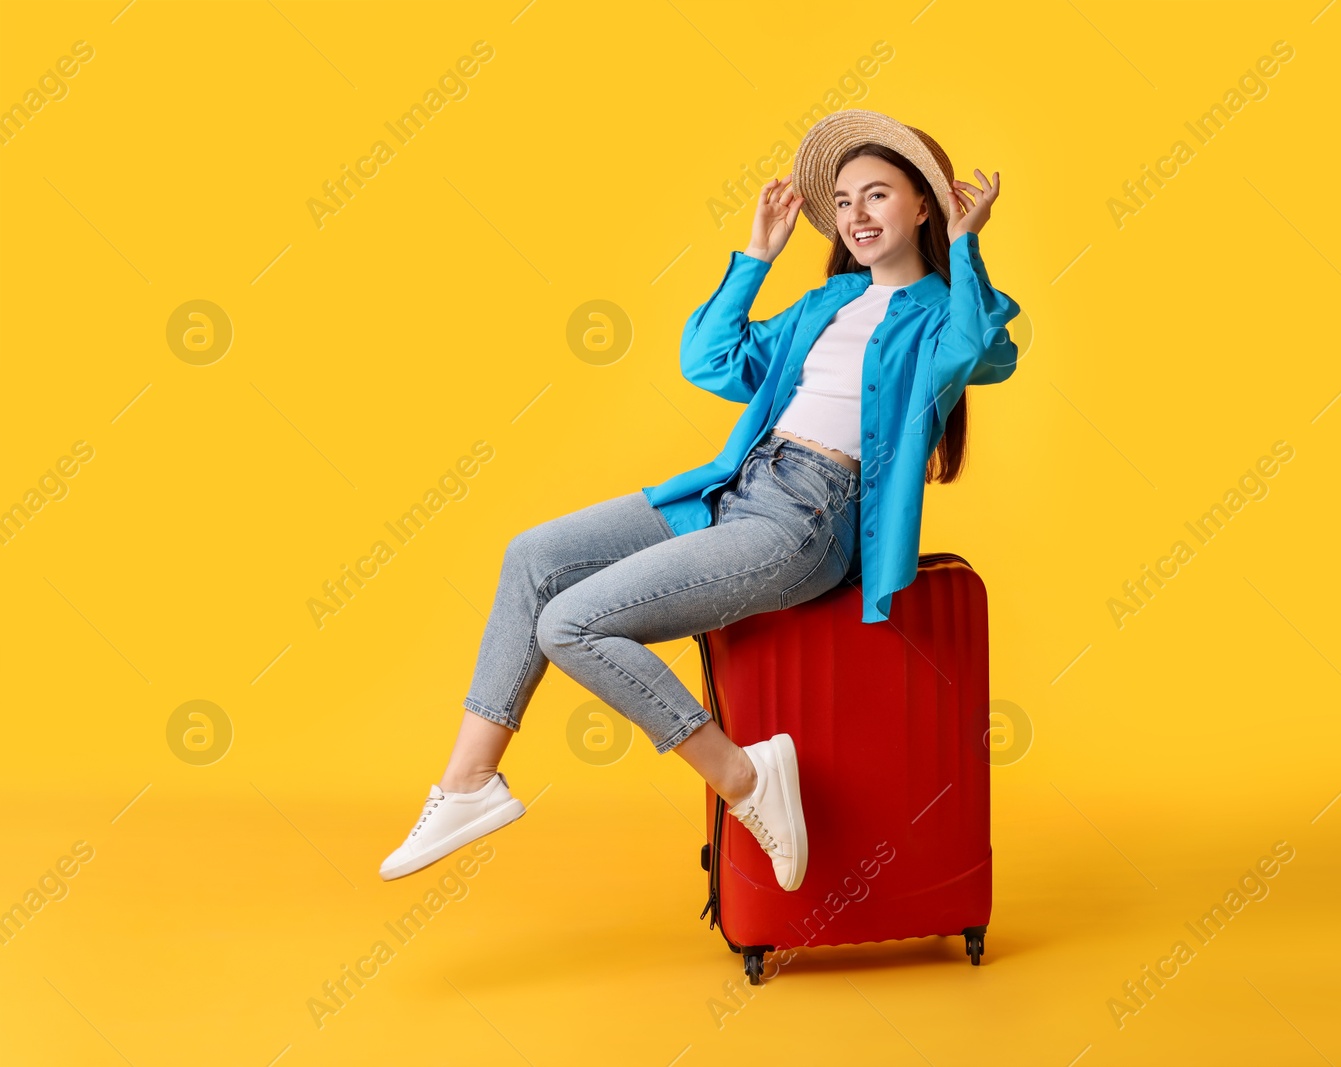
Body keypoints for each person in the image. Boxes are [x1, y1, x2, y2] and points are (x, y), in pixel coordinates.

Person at [379, 109, 1021, 893]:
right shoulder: (827, 304)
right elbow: (711, 358)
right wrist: (758, 254)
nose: (855, 215)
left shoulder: (936, 315)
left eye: (877, 195)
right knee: (532, 557)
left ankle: (744, 779)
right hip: (738, 486)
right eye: (845, 200)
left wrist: (967, 244)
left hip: (807, 521)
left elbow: (979, 348)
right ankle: (469, 782)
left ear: (925, 205)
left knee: (570, 623)